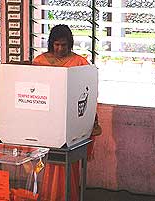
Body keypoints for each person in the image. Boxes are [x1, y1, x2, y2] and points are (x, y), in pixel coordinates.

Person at [33, 24, 102, 201]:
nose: (60, 49)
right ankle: (49, 195)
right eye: (56, 44)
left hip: (71, 123)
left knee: (69, 161)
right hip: (47, 121)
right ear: (51, 44)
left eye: (64, 45)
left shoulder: (80, 63)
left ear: (69, 44)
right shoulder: (40, 61)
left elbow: (89, 91)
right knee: (50, 160)